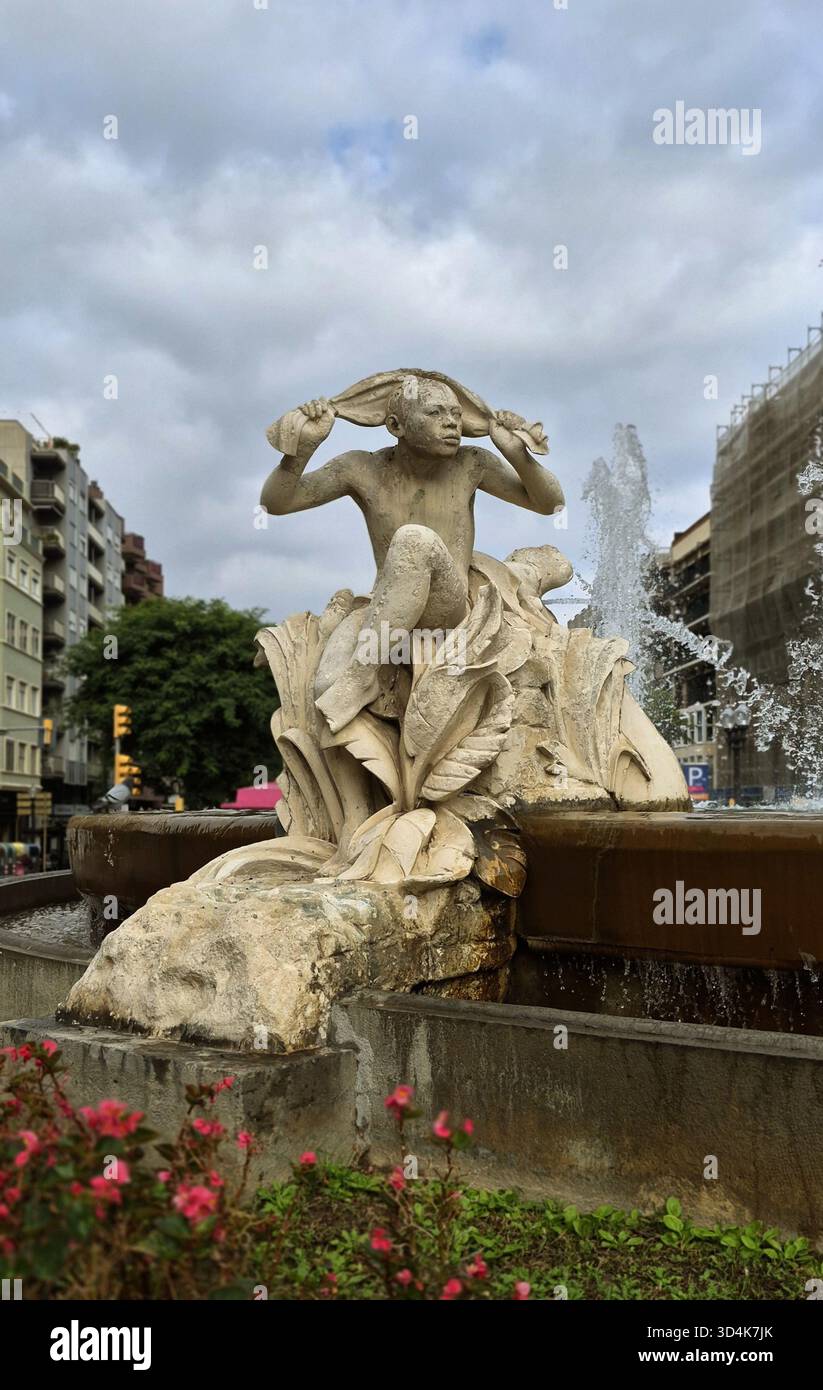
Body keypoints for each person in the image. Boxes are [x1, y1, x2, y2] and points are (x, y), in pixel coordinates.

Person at [261, 375, 565, 732]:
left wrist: (516, 453)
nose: (451, 422)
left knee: (414, 540)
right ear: (396, 425)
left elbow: (551, 504)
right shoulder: (361, 468)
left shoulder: (472, 464)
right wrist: (303, 448)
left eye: (455, 413)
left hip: (449, 608)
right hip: (386, 608)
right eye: (435, 412)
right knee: (325, 687)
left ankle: (363, 676)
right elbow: (276, 503)